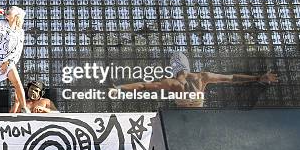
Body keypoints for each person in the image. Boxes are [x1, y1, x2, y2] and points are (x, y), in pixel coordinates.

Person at [111, 52, 278, 107]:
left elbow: (142, 86)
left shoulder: (174, 83)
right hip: (194, 119)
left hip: (186, 120)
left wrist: (119, 88)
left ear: (173, 69)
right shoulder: (201, 77)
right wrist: (258, 77)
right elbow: (232, 78)